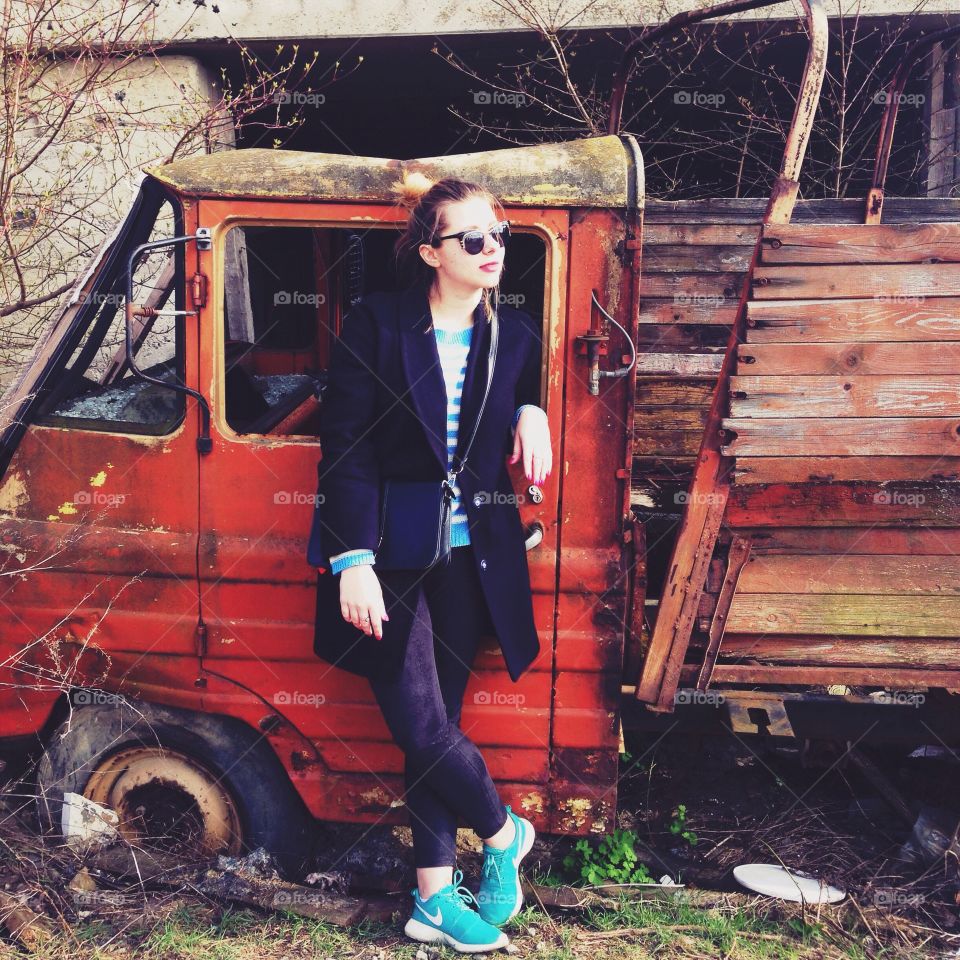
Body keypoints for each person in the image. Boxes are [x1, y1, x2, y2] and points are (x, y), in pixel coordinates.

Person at [311, 172, 553, 952]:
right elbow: (344, 449)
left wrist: (531, 407)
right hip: (390, 555)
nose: (492, 250)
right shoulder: (377, 327)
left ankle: (432, 900)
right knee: (418, 722)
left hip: (472, 556)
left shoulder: (511, 335)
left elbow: (516, 389)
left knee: (436, 729)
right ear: (430, 252)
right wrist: (352, 559)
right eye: (472, 238)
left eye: (499, 236)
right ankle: (504, 830)